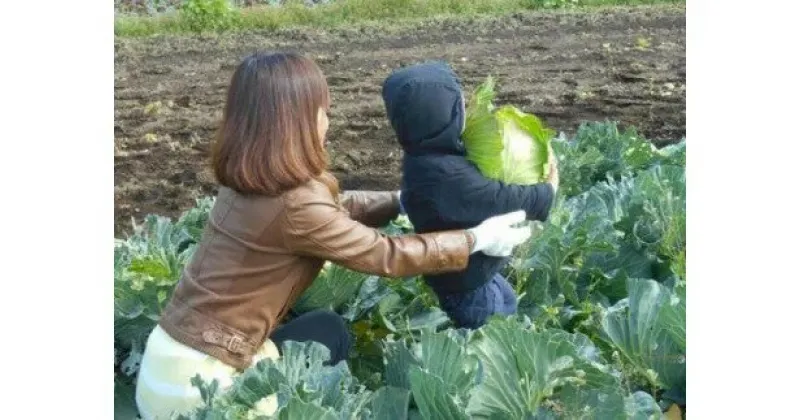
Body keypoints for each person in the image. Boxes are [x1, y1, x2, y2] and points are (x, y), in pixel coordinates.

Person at [134, 52, 534, 419]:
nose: (328, 121)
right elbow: (385, 255)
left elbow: (335, 211)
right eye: (322, 111)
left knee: (327, 332)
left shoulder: (247, 177)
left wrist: (400, 200)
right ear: (296, 123)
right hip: (200, 392)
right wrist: (475, 239)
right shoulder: (295, 205)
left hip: (166, 363)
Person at [382, 61, 560, 329]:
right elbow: (498, 197)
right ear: (443, 116)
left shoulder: (429, 157)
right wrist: (545, 192)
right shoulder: (447, 176)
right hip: (466, 288)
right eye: (459, 105)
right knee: (485, 334)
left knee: (507, 306)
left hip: (475, 273)